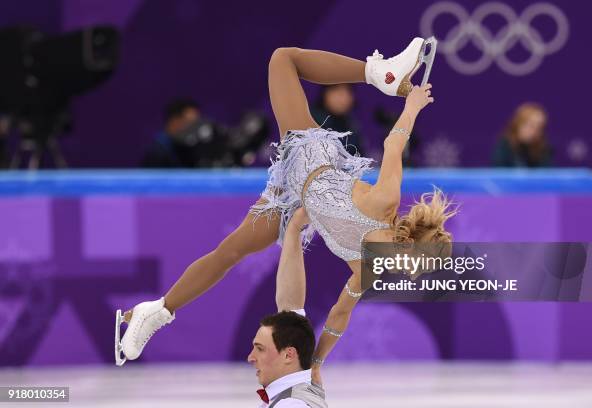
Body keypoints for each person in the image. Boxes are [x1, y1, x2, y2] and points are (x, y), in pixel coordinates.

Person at [115, 37, 456, 368]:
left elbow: (339, 316)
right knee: (283, 60)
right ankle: (380, 74)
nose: (413, 278)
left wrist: (317, 365)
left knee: (230, 251)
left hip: (293, 199)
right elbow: (394, 145)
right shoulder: (384, 205)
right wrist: (411, 107)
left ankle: (156, 311)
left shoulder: (369, 271)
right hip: (310, 157)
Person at [248, 209, 327, 407]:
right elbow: (290, 306)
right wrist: (294, 228)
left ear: (289, 355)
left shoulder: (291, 404)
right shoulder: (297, 392)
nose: (251, 357)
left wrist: (295, 227)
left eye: (260, 349)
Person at [310, 83, 365, 155]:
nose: (344, 98)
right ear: (325, 93)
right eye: (337, 91)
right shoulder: (311, 120)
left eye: (348, 91)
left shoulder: (352, 125)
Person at [492, 102, 552, 167]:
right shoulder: (504, 147)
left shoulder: (543, 148)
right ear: (518, 124)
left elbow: (548, 172)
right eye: (531, 125)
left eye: (539, 127)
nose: (535, 131)